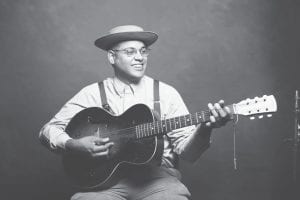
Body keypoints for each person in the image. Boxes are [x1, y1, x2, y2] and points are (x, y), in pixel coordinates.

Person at [39, 25, 232, 200]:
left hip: (159, 181)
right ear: (112, 57)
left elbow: (189, 154)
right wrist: (73, 144)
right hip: (104, 183)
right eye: (130, 52)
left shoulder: (165, 93)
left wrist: (206, 128)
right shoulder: (92, 93)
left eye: (143, 51)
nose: (139, 57)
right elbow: (48, 130)